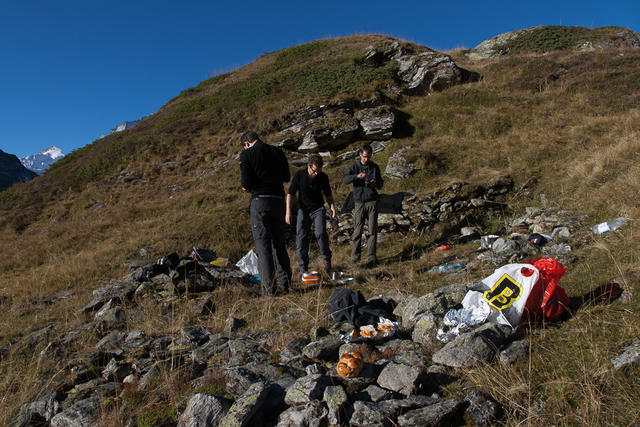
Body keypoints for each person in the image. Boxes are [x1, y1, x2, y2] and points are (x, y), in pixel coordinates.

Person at [239, 131, 292, 296]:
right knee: (279, 245)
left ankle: (269, 290)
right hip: (278, 200)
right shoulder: (277, 151)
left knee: (263, 248)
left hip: (260, 201)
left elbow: (246, 183)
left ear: (246, 143)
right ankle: (286, 285)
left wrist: (249, 186)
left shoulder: (247, 154)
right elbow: (286, 176)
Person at [286, 154, 337, 275]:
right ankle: (303, 268)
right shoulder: (299, 175)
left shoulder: (323, 177)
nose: (317, 173)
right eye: (315, 170)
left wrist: (333, 208)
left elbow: (328, 194)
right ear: (309, 166)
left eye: (319, 170)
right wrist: (288, 212)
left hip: (318, 209)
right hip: (303, 210)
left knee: (320, 233)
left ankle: (326, 259)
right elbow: (290, 194)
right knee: (301, 238)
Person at [341, 144, 383, 266]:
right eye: (364, 157)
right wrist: (356, 176)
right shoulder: (354, 166)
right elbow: (344, 180)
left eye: (368, 157)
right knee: (357, 231)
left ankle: (371, 258)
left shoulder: (374, 167)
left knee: (372, 231)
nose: (366, 159)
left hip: (372, 202)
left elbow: (381, 185)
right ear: (360, 154)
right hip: (359, 203)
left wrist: (375, 184)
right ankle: (355, 259)